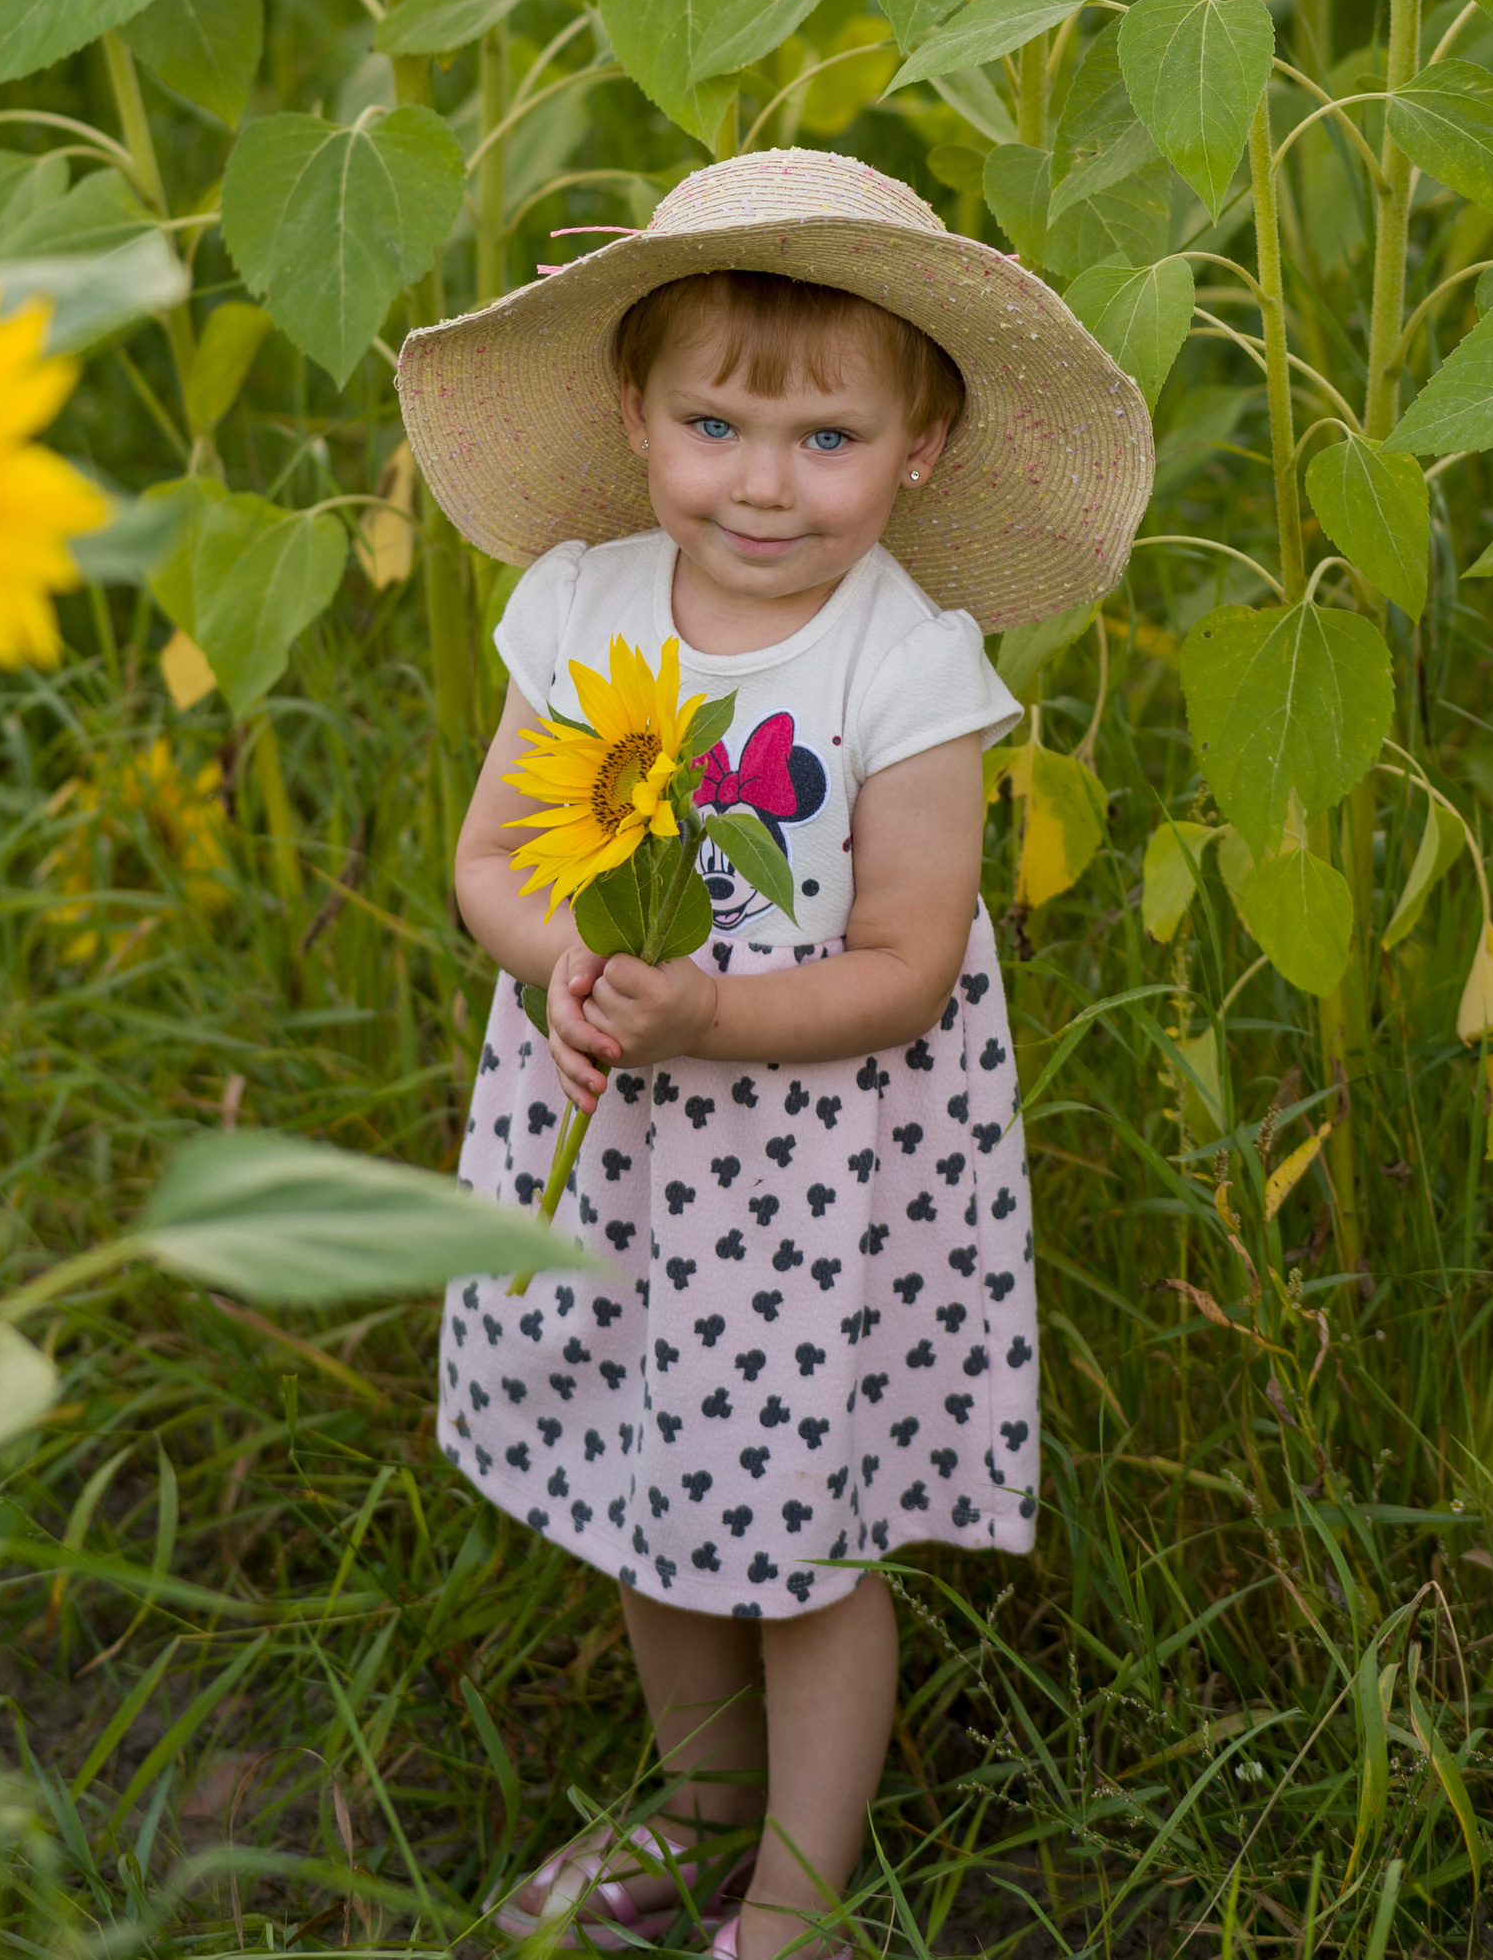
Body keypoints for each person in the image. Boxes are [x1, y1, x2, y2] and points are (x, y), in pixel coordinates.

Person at [398, 148, 1153, 1960]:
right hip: (618, 1143)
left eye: (825, 438)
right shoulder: (580, 604)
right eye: (717, 420)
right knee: (649, 1486)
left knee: (801, 1533)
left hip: (809, 1187)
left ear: (924, 445)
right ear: (635, 411)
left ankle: (802, 1896)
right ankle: (696, 1802)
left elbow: (903, 963)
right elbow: (492, 861)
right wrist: (563, 954)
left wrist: (712, 1008)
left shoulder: (911, 665)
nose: (761, 480)